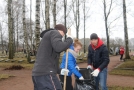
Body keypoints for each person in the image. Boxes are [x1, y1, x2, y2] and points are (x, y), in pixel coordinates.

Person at [32, 24, 73, 90]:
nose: (62, 37)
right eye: (63, 34)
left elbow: (51, 58)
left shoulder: (47, 40)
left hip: (37, 74)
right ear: (61, 31)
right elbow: (59, 47)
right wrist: (69, 39)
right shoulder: (54, 32)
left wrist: (60, 71)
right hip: (47, 74)